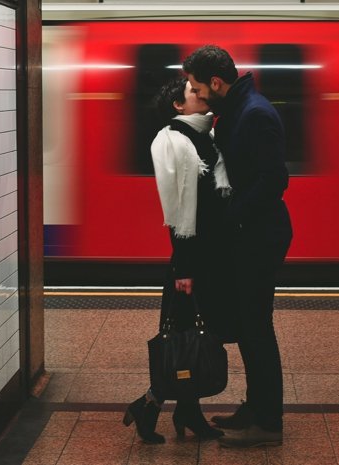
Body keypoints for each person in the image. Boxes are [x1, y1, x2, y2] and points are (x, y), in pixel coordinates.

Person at [182, 45, 293, 448]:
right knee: (249, 327)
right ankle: (256, 407)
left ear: (216, 82)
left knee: (257, 328)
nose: (195, 92)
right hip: (250, 233)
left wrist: (235, 215)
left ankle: (268, 422)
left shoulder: (256, 113)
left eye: (197, 86)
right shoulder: (240, 108)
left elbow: (274, 179)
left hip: (259, 235)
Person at [123, 76, 232, 444]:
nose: (201, 94)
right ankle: (149, 404)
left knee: (193, 339)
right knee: (182, 339)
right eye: (193, 91)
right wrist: (184, 267)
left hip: (210, 254)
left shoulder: (207, 135)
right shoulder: (171, 141)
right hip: (190, 258)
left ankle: (188, 412)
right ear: (178, 105)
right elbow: (178, 206)